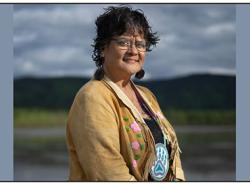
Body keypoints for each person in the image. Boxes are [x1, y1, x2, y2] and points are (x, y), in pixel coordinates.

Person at [66, 5, 185, 181]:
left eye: (140, 44)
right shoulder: (92, 96)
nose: (133, 51)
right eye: (123, 42)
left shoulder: (147, 96)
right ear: (103, 47)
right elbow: (108, 171)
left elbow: (172, 158)